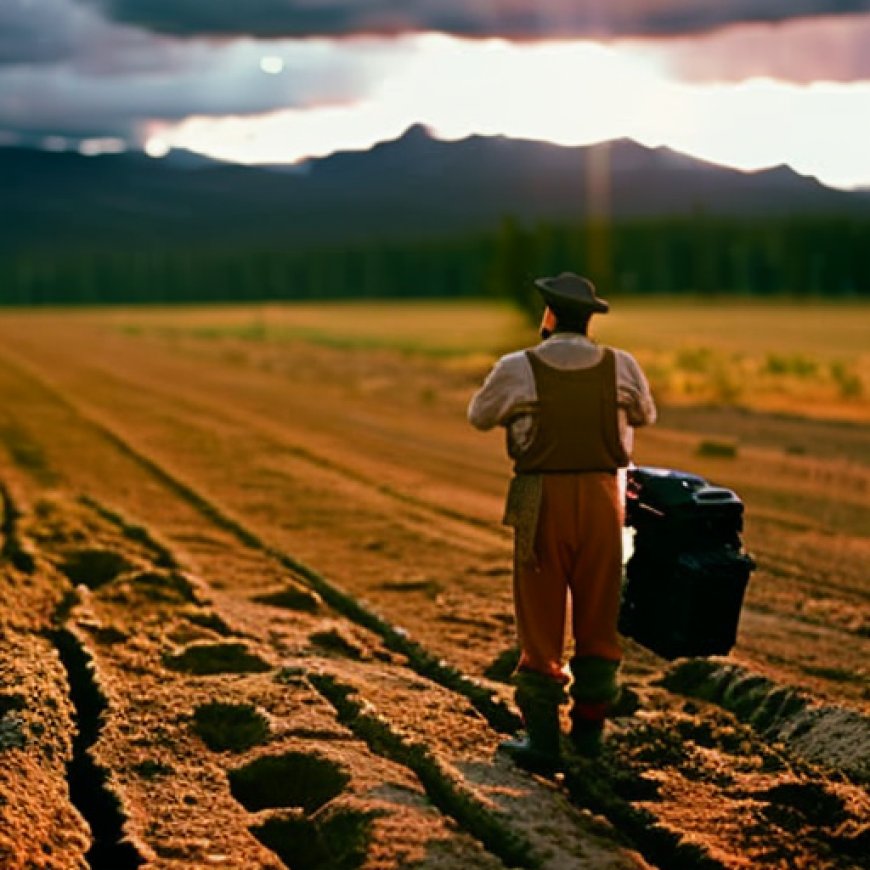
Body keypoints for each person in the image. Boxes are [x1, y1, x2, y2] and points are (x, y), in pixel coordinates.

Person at [468, 272, 656, 771]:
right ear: (590, 318)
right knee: (599, 614)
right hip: (604, 497)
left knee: (540, 617)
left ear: (548, 316)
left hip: (540, 497)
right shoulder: (622, 365)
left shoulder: (518, 366)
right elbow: (646, 415)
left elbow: (479, 415)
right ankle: (589, 738)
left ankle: (544, 741)